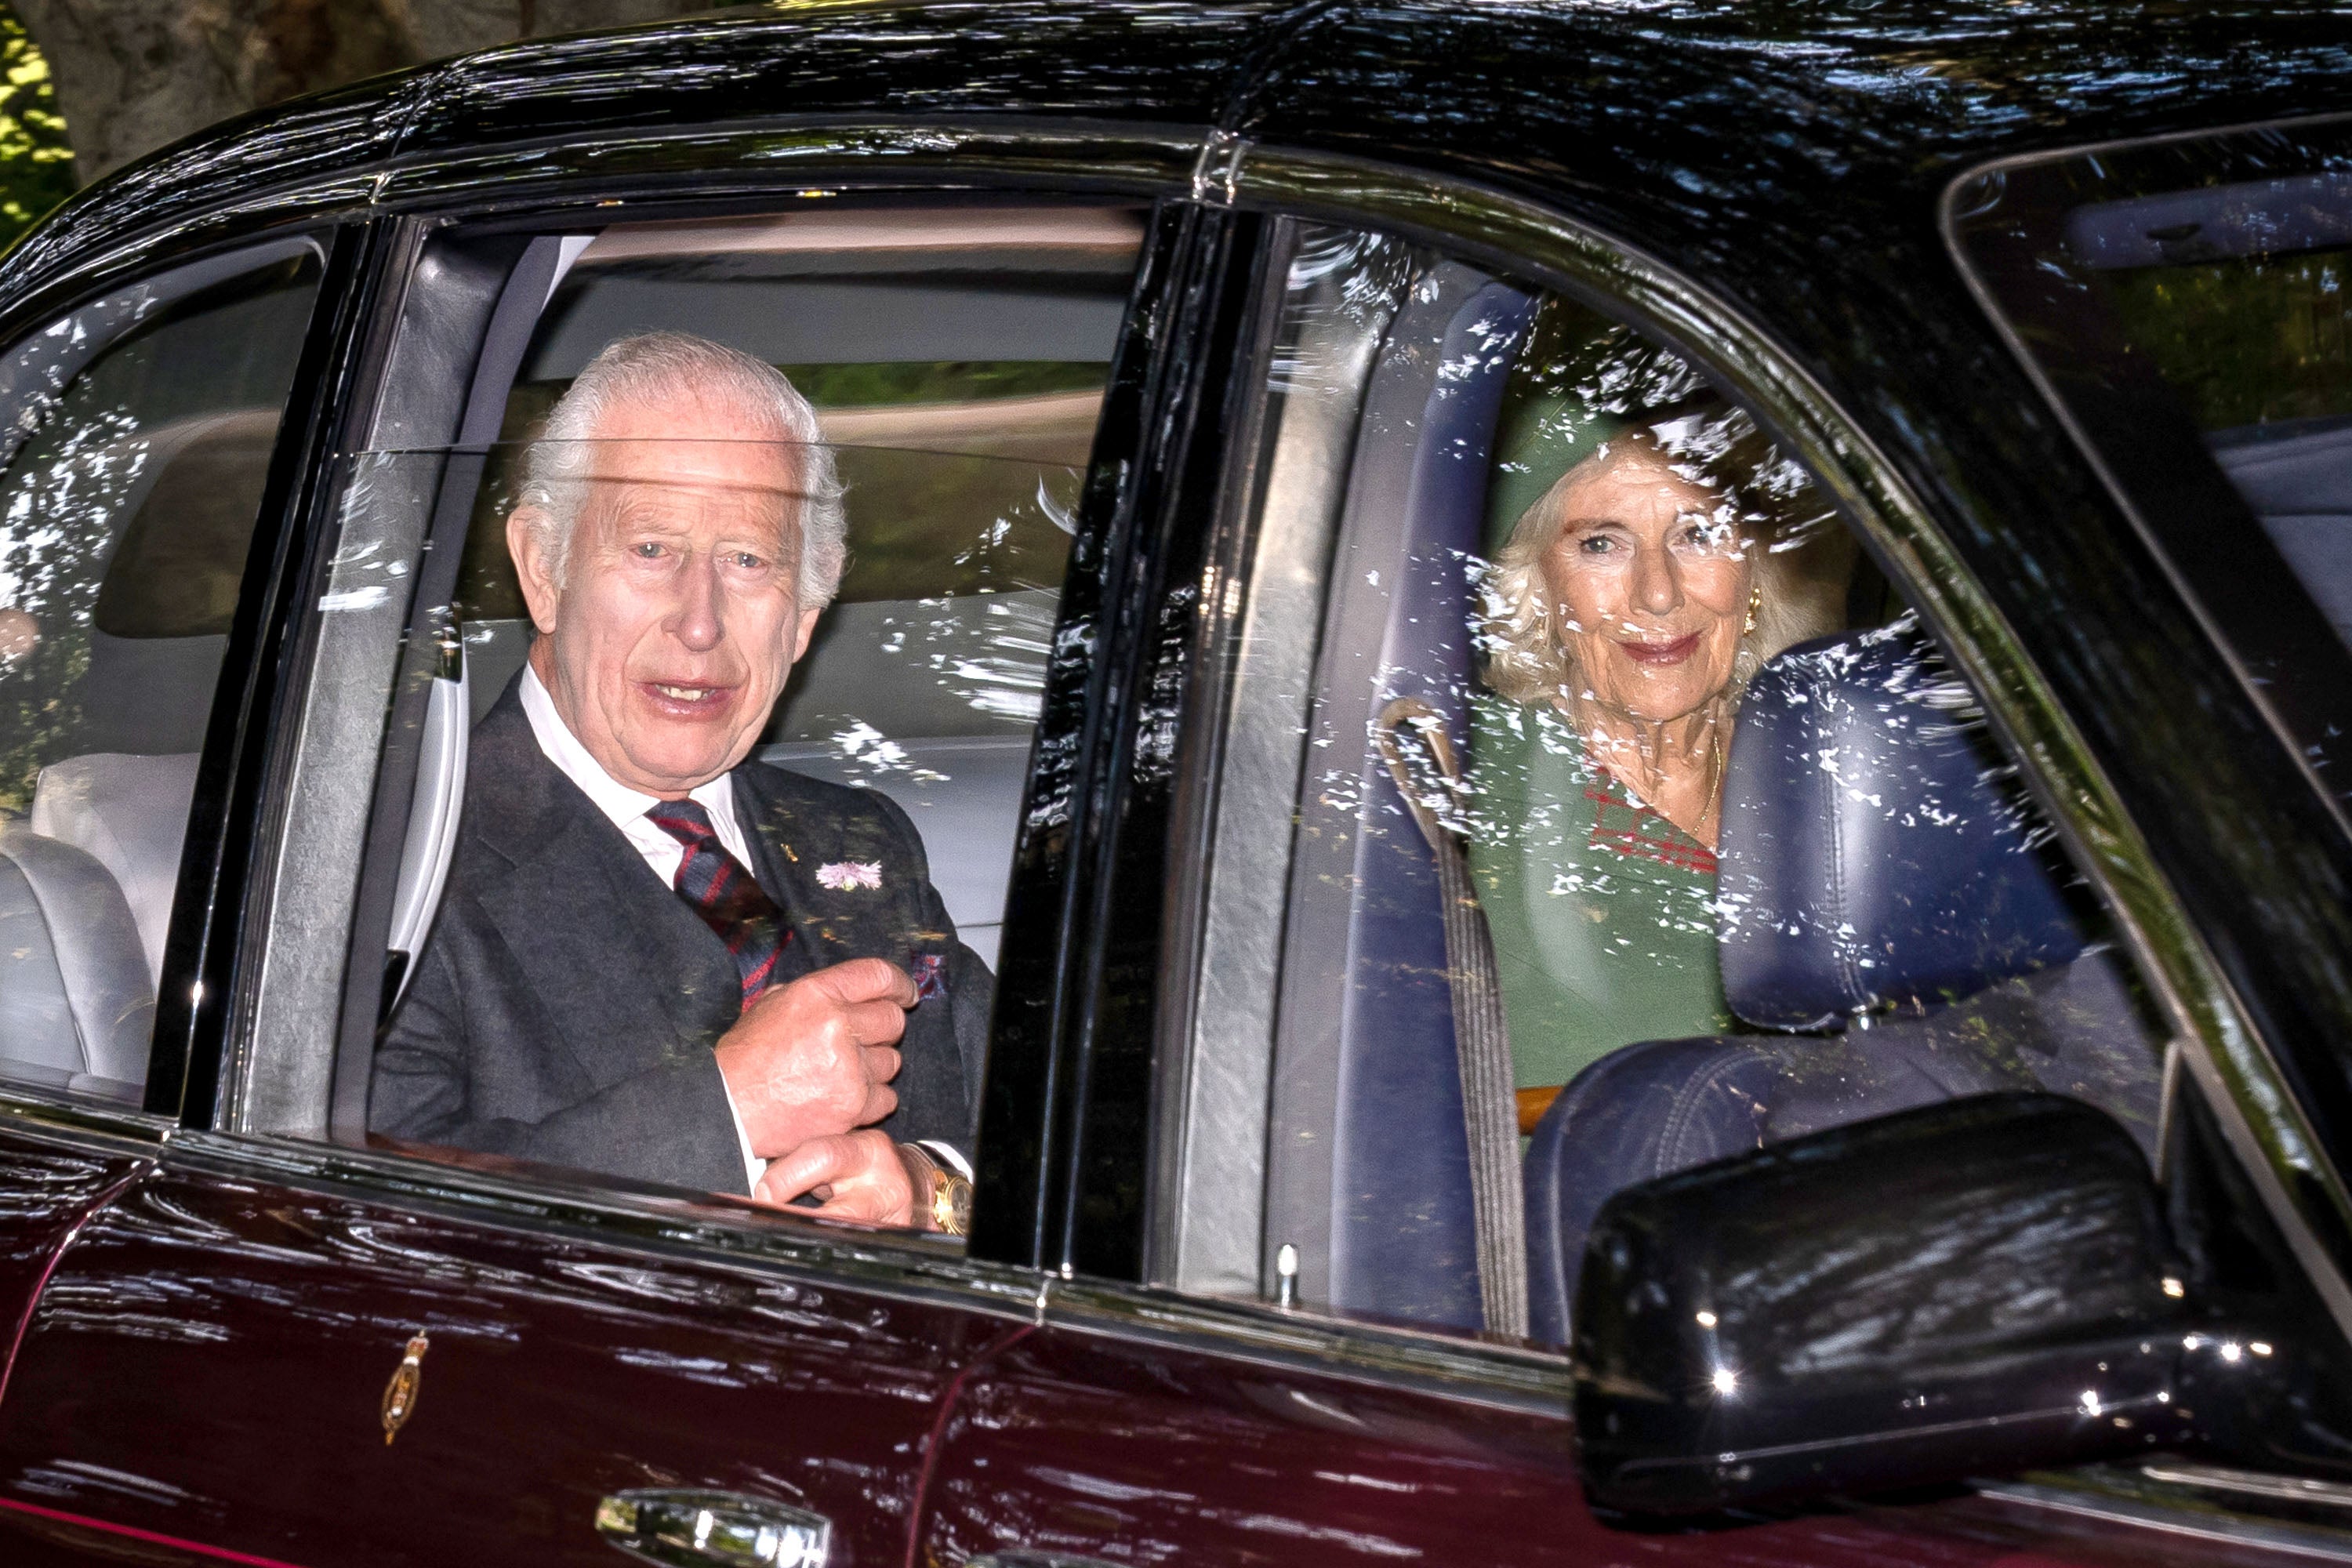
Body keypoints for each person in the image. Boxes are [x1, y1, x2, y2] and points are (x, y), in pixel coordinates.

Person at [372, 331, 987, 1232]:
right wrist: (730, 1110)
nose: (700, 623)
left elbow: (1052, 1115)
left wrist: (932, 1189)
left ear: (807, 616)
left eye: (749, 560)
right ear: (545, 568)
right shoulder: (393, 863)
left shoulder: (859, 840)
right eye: (653, 546)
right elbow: (365, 1213)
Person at [1470, 396, 1826, 1091]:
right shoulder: (1480, 795)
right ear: (1539, 586)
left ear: (1754, 574)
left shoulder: (1825, 769)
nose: (1657, 594)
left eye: (1697, 534)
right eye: (1602, 543)